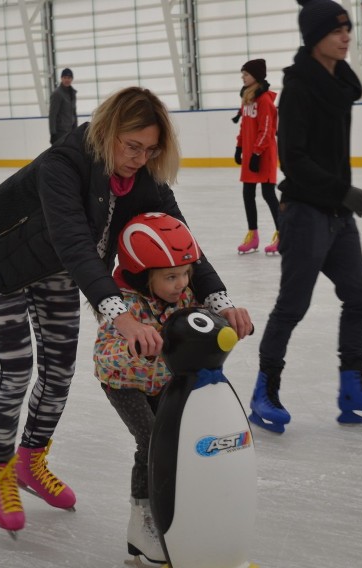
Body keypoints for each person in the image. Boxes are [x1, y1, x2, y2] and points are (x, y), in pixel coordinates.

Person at [0, 87, 253, 536]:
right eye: (131, 146)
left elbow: (183, 243)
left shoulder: (145, 179)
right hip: (2, 260)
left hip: (61, 272)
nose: (140, 158)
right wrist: (120, 317)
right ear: (108, 132)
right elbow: (75, 243)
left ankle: (31, 459)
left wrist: (221, 302)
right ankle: (3, 468)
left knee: (59, 372)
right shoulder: (64, 164)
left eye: (150, 149)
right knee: (16, 369)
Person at [247, 0, 362, 432]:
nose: (347, 36)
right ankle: (265, 390)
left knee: (358, 298)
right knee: (292, 306)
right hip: (305, 213)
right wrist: (343, 191)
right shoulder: (299, 88)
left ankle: (352, 386)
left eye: (348, 28)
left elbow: (351, 91)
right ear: (315, 39)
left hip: (337, 215)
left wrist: (341, 198)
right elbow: (292, 160)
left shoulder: (338, 83)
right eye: (337, 31)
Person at [94, 212, 233, 565]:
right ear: (143, 275)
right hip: (126, 385)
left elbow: (203, 327)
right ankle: (142, 524)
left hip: (165, 383)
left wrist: (226, 323)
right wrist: (131, 346)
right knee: (153, 442)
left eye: (186, 273)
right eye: (171, 276)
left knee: (181, 443)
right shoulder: (126, 306)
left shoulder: (185, 297)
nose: (182, 283)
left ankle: (178, 510)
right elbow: (106, 358)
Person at [233, 59, 280, 255]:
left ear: (256, 76)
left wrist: (257, 153)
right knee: (247, 194)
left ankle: (282, 234)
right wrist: (239, 147)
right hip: (250, 155)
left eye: (246, 74)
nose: (243, 77)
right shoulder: (248, 99)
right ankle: (253, 236)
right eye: (242, 74)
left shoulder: (264, 101)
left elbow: (267, 130)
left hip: (264, 155)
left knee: (268, 194)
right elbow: (244, 126)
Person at [48, 68, 77, 145]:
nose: (67, 80)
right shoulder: (57, 94)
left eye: (69, 78)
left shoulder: (72, 93)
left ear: (72, 79)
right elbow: (52, 114)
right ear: (61, 78)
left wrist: (75, 129)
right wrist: (53, 133)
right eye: (65, 78)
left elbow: (74, 113)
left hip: (70, 131)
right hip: (60, 132)